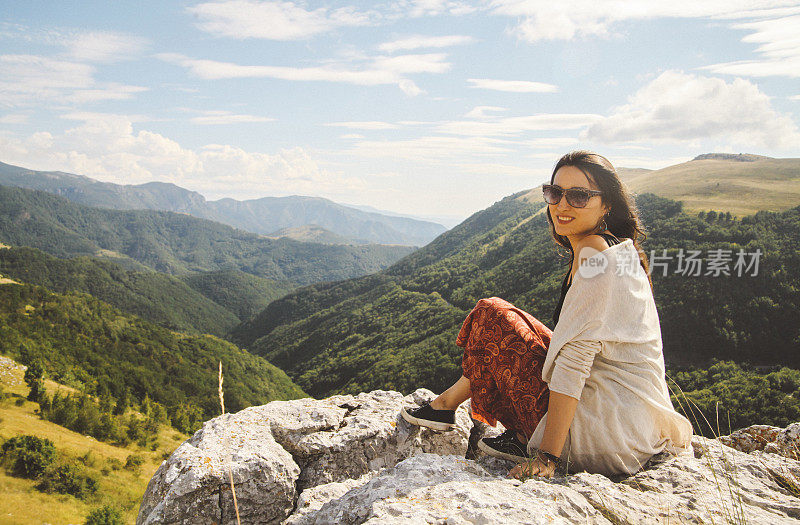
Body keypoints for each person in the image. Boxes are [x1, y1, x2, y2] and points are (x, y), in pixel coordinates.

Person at [401, 150, 694, 479]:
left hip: (604, 435)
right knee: (522, 332)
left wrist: (547, 457)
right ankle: (446, 407)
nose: (562, 205)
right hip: (631, 426)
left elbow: (574, 358)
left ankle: (485, 423)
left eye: (580, 196)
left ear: (607, 205)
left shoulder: (596, 256)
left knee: (492, 314)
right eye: (555, 193)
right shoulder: (613, 248)